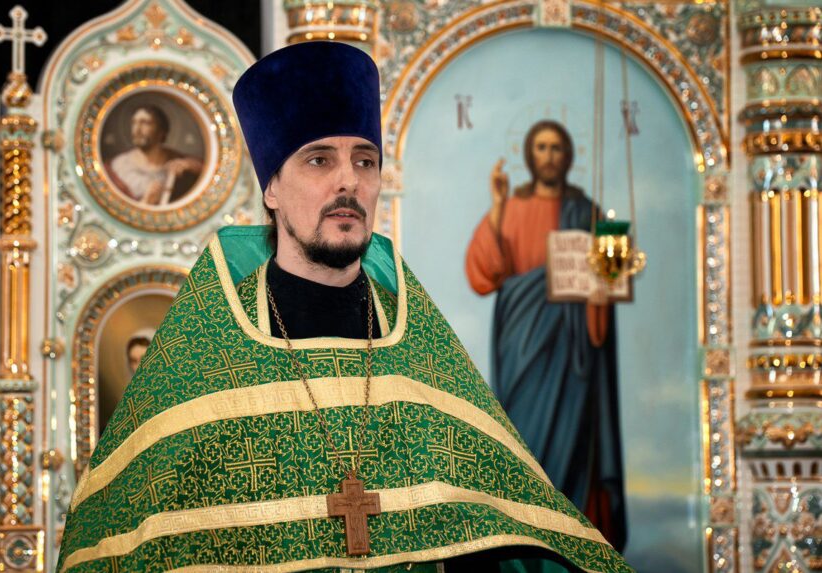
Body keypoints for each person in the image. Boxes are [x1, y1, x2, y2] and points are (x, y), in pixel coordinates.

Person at [57, 43, 631, 573]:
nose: (348, 182)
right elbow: (125, 543)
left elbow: (497, 528)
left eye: (364, 161)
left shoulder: (418, 342)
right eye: (318, 160)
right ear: (271, 189)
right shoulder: (207, 344)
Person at [465, 121, 627, 551]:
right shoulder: (512, 207)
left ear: (568, 155)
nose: (549, 156)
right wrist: (497, 205)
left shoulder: (587, 213)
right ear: (529, 154)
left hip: (574, 360)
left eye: (556, 148)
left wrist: (604, 286)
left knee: (572, 448)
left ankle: (572, 543)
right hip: (523, 349)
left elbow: (607, 282)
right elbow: (484, 273)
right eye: (541, 147)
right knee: (524, 441)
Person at [105, 104, 203, 206]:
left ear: (161, 131)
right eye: (134, 123)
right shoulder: (116, 166)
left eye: (145, 123)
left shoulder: (180, 162)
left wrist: (190, 165)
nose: (137, 129)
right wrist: (145, 203)